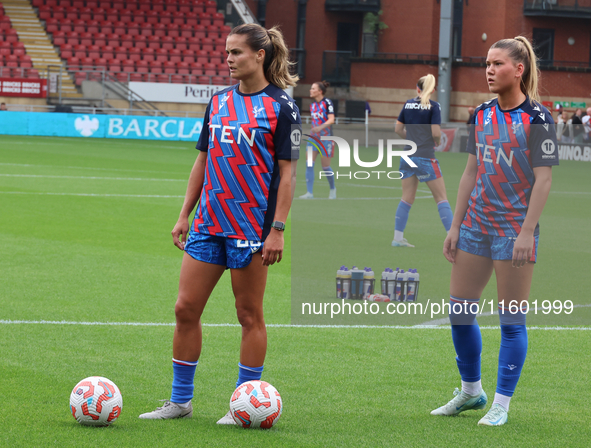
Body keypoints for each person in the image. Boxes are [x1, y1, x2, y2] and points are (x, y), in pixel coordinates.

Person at [139, 23, 301, 424]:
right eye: (227, 52)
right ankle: (179, 402)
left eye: (237, 53)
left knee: (249, 315)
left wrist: (277, 229)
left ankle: (243, 403)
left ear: (259, 55)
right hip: (209, 224)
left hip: (251, 229)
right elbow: (203, 160)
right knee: (184, 308)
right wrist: (184, 213)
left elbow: (288, 175)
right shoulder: (218, 102)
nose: (228, 59)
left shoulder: (282, 107)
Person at [433, 36, 558, 426]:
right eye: (486, 63)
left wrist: (527, 231)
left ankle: (501, 403)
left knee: (511, 321)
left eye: (498, 63)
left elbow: (544, 181)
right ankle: (471, 392)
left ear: (518, 70)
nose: (489, 70)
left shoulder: (539, 119)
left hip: (513, 230)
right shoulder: (481, 113)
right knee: (460, 313)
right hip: (476, 225)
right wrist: (455, 224)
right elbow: (471, 171)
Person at [392, 74, 454, 247]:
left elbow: (398, 129)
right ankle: (453, 238)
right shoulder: (434, 106)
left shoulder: (407, 104)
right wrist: (435, 141)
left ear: (417, 88)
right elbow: (435, 133)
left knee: (406, 198)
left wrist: (410, 139)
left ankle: (397, 238)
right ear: (433, 90)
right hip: (425, 156)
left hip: (407, 157)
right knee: (441, 198)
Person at [299, 80, 337, 199]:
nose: (311, 90)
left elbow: (331, 119)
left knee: (325, 166)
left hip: (326, 138)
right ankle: (309, 192)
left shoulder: (327, 103)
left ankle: (332, 189)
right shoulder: (312, 105)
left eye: (313, 88)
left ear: (320, 91)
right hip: (314, 139)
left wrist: (320, 127)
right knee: (309, 164)